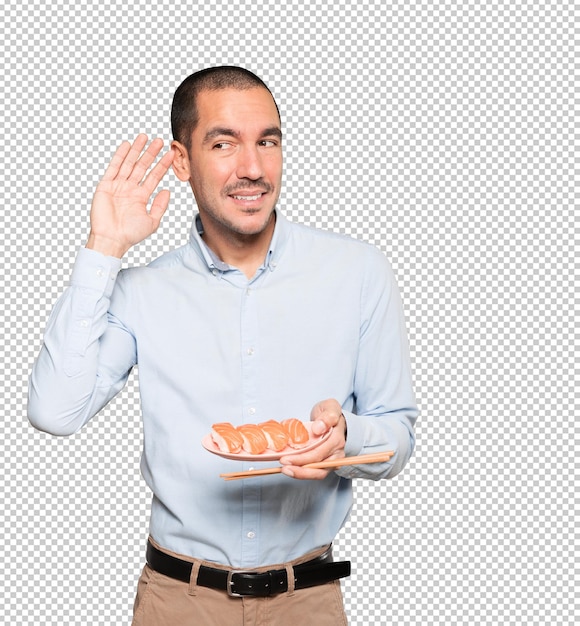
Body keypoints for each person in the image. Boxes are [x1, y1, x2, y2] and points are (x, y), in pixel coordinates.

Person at [28, 66, 418, 626]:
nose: (253, 169)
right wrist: (105, 247)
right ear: (182, 161)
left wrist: (346, 437)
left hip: (306, 602)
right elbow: (55, 412)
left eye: (268, 141)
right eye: (223, 143)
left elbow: (397, 437)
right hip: (178, 602)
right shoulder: (141, 291)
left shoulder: (357, 271)